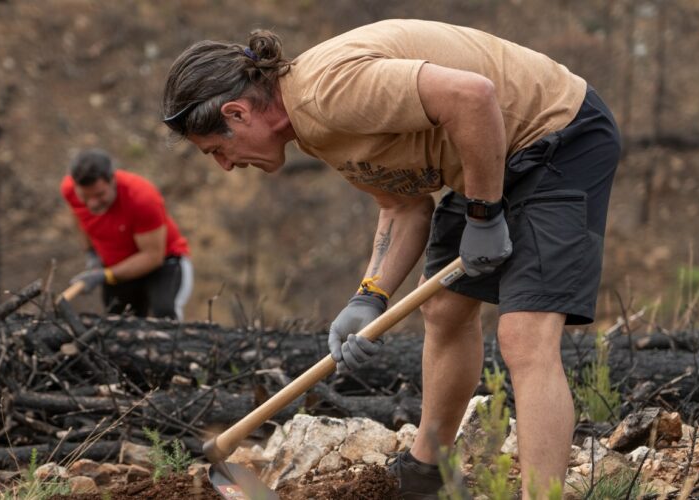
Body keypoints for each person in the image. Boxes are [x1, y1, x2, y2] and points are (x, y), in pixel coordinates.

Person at [161, 19, 620, 499]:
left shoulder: (328, 93)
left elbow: (473, 96)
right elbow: (403, 205)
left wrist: (483, 215)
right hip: (485, 153)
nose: (226, 165)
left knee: (524, 334)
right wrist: (370, 296)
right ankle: (427, 472)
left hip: (558, 133)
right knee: (443, 309)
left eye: (218, 150)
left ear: (236, 113)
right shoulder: (312, 129)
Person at [61, 149, 193, 321]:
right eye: (85, 196)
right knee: (116, 324)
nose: (92, 204)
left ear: (112, 180)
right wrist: (91, 253)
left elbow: (153, 256)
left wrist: (104, 275)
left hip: (165, 263)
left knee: (163, 316)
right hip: (117, 268)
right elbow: (79, 218)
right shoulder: (69, 189)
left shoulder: (141, 198)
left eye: (100, 195)